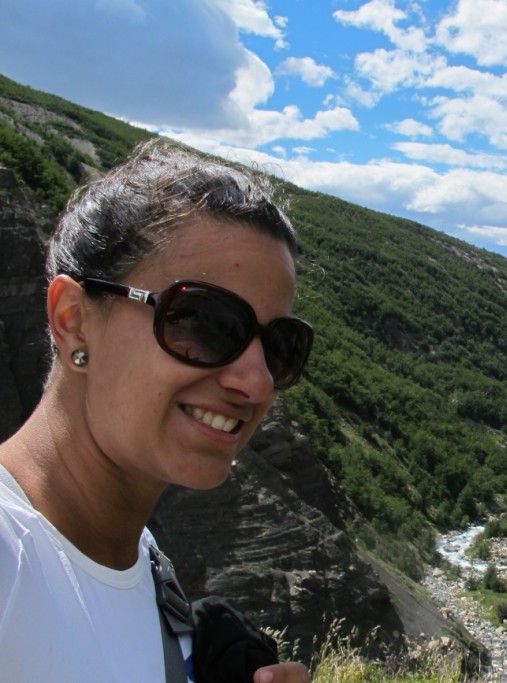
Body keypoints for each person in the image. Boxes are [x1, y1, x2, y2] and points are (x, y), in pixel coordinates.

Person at [0, 139, 315, 682]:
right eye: (203, 321)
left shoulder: (139, 560)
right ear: (74, 320)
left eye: (281, 345)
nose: (257, 381)